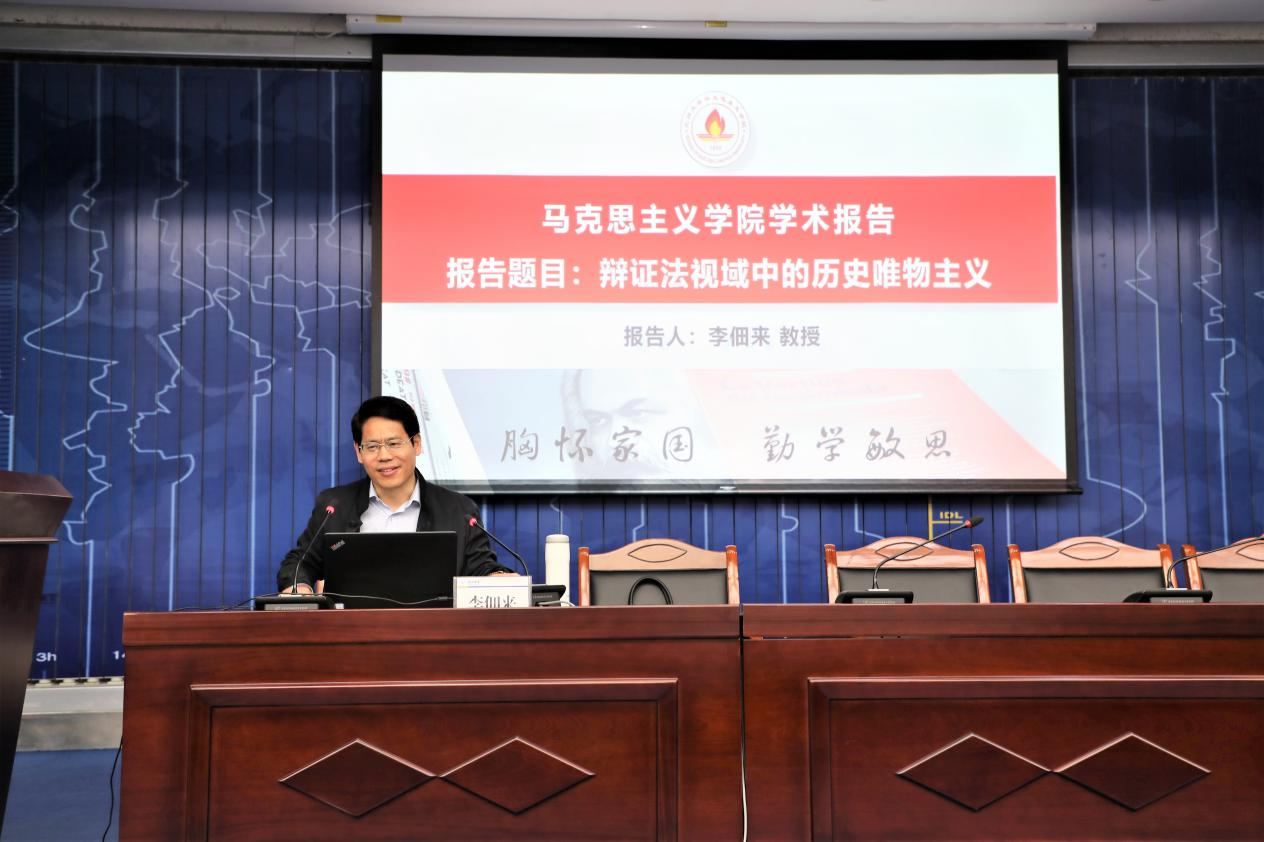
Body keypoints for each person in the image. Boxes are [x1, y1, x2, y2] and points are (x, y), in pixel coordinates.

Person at [276, 395, 513, 594]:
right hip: (353, 631)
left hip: (432, 631)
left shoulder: (459, 510)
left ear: (416, 444)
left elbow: (481, 566)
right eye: (372, 447)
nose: (384, 456)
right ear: (358, 452)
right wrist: (300, 587)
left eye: (394, 443)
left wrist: (497, 577)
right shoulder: (334, 506)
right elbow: (299, 563)